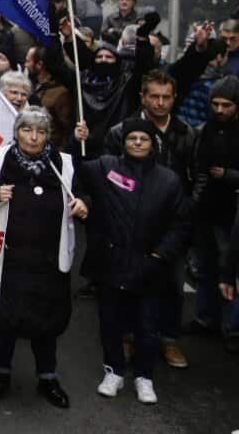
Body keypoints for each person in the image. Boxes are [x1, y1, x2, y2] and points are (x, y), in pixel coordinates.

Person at [0, 107, 87, 408]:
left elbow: (86, 196)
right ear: (16, 132)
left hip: (49, 260)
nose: (33, 137)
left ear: (48, 135)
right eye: (27, 130)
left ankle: (47, 376)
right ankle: (1, 373)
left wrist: (85, 205)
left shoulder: (65, 164)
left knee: (47, 322)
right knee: (6, 320)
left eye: (41, 131)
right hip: (9, 258)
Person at [77, 117, 190, 405]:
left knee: (148, 327)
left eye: (144, 139)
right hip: (111, 263)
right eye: (132, 138)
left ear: (153, 144)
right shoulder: (105, 167)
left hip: (150, 267)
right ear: (123, 142)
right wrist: (81, 139)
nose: (138, 143)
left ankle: (144, 377)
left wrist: (160, 256)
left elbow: (180, 224)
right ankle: (113, 372)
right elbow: (77, 171)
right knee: (110, 323)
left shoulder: (169, 180)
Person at [100, 69, 197, 369]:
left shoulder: (186, 133)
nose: (160, 103)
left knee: (172, 283)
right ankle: (128, 337)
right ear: (142, 96)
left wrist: (188, 210)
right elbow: (107, 176)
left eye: (166, 97)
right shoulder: (120, 132)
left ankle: (168, 339)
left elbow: (196, 176)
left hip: (172, 223)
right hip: (131, 222)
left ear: (174, 98)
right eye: (154, 96)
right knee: (129, 281)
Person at [190, 75, 239, 350]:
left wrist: (229, 175)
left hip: (232, 214)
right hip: (208, 208)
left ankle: (233, 328)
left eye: (226, 105)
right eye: (215, 104)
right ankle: (206, 318)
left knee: (230, 270)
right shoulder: (207, 129)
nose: (219, 110)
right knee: (206, 268)